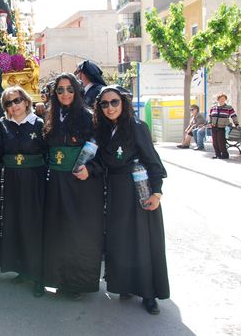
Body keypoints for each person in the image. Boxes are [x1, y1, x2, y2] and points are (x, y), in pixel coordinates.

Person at [93, 85, 169, 315]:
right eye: (104, 104)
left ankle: (148, 294)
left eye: (114, 102)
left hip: (138, 191)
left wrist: (156, 192)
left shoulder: (137, 127)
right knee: (120, 242)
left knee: (142, 243)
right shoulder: (103, 130)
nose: (110, 108)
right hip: (115, 193)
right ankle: (125, 285)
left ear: (123, 103)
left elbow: (152, 160)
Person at [42, 73, 104, 300]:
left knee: (78, 234)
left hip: (81, 184)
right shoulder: (51, 116)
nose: (65, 94)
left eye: (69, 89)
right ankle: (58, 279)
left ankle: (77, 283)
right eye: (60, 90)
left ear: (77, 91)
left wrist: (92, 169)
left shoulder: (90, 117)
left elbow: (103, 151)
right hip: (56, 182)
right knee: (58, 231)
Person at [0, 86, 47, 297]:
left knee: (33, 226)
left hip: (33, 181)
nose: (13, 106)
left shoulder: (40, 124)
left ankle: (38, 275)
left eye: (16, 101)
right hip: (10, 180)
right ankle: (22, 269)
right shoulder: (2, 125)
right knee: (14, 223)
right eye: (8, 103)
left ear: (26, 101)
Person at [207, 93, 239, 160]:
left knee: (221, 141)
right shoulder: (213, 107)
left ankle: (225, 155)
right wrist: (210, 122)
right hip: (214, 127)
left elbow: (234, 116)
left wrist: (236, 124)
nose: (222, 100)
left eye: (224, 99)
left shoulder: (229, 108)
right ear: (218, 99)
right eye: (221, 99)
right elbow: (210, 116)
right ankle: (217, 155)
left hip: (222, 127)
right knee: (215, 142)